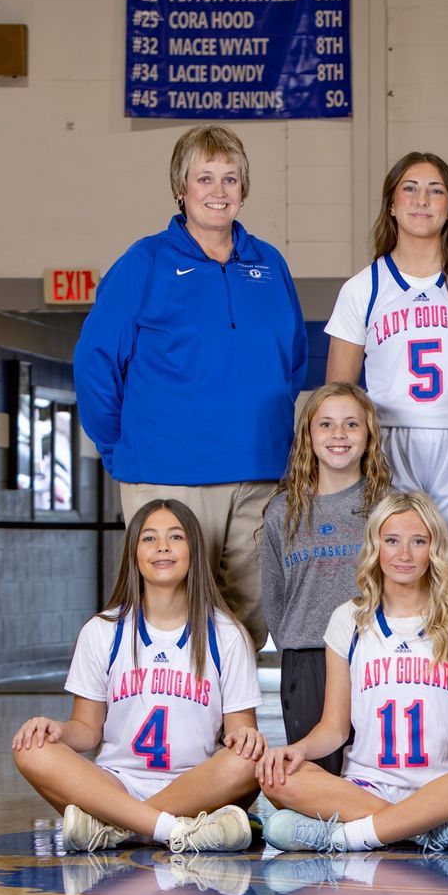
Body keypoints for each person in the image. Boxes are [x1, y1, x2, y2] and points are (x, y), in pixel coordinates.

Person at [75, 124, 306, 648]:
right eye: (204, 178)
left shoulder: (270, 264)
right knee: (170, 617)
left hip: (259, 477)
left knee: (247, 621)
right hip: (167, 473)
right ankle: (176, 728)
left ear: (244, 189)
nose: (218, 191)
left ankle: (235, 730)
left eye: (230, 179)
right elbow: (95, 363)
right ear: (181, 188)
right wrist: (120, 449)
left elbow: (290, 364)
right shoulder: (145, 262)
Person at [256, 490, 448, 853]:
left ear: (435, 548)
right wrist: (295, 751)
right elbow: (334, 727)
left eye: (418, 541)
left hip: (447, 784)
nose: (404, 554)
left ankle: (352, 834)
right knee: (277, 778)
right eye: (392, 540)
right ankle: (425, 830)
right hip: (369, 786)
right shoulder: (347, 618)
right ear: (375, 546)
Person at [10, 499, 262, 854]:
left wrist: (247, 741)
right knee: (31, 749)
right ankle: (173, 830)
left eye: (175, 537)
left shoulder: (226, 634)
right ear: (134, 553)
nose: (162, 546)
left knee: (250, 761)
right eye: (149, 538)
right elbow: (86, 730)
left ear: (194, 551)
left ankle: (117, 827)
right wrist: (56, 730)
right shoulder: (103, 630)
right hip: (116, 783)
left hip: (193, 785)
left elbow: (241, 733)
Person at [323, 152, 448, 529]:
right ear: (392, 205)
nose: (422, 199)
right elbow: (338, 394)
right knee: (397, 559)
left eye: (436, 191)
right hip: (389, 445)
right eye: (409, 189)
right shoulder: (362, 288)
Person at [261, 382, 393, 777]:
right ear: (308, 435)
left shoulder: (389, 505)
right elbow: (274, 597)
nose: (339, 435)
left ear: (369, 436)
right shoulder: (283, 512)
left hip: (375, 656)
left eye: (351, 424)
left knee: (376, 775)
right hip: (308, 659)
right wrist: (297, 646)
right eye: (327, 425)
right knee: (316, 778)